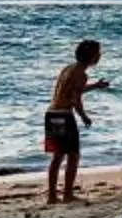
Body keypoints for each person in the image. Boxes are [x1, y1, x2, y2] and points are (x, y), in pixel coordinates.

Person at [44, 38, 102, 203]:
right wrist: (84, 116)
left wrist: (95, 86)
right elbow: (75, 99)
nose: (100, 56)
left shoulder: (69, 68)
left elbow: (71, 90)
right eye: (98, 53)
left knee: (57, 156)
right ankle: (68, 194)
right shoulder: (81, 74)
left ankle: (52, 195)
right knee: (73, 155)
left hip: (52, 113)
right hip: (64, 115)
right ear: (92, 57)